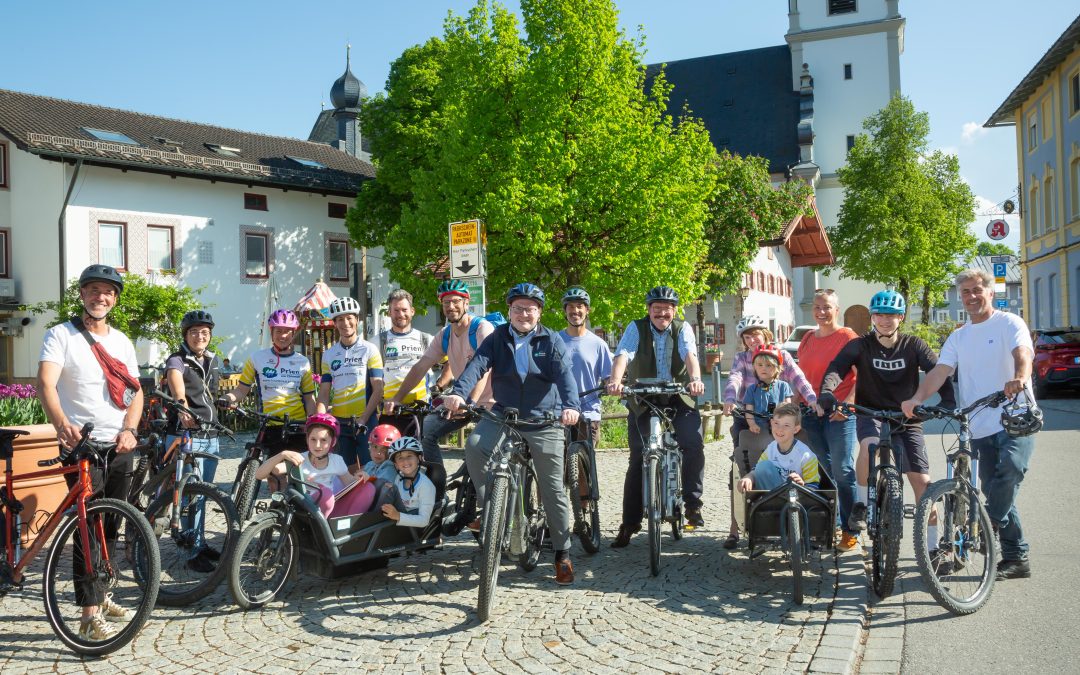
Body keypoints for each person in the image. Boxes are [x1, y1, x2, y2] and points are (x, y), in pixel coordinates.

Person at [902, 268, 1039, 581]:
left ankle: (989, 522)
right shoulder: (959, 336)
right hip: (977, 423)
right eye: (965, 292)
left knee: (1012, 469)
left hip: (1016, 416)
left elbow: (1023, 354)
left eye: (977, 290)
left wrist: (1020, 377)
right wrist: (917, 398)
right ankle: (1017, 557)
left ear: (990, 291)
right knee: (994, 489)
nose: (972, 297)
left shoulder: (1009, 322)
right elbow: (940, 372)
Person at [444, 283, 580, 585]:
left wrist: (571, 406)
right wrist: (458, 394)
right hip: (504, 413)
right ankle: (492, 505)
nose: (523, 314)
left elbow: (565, 376)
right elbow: (476, 366)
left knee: (552, 488)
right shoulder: (498, 338)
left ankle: (562, 553)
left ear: (539, 312)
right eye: (518, 308)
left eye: (530, 309)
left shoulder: (551, 340)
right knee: (476, 445)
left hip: (543, 420)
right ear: (509, 311)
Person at [37, 264, 143, 641]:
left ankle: (102, 593)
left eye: (108, 292)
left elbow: (136, 391)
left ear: (115, 299)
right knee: (87, 527)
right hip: (79, 445)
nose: (101, 297)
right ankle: (87, 612)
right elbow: (46, 383)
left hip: (119, 445)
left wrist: (130, 429)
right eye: (94, 290)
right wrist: (60, 423)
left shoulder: (123, 341)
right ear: (82, 295)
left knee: (110, 525)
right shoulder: (60, 335)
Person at [818, 290, 955, 554]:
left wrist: (947, 401)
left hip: (908, 419)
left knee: (923, 483)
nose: (884, 320)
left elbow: (936, 371)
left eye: (891, 315)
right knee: (871, 446)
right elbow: (837, 367)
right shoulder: (860, 345)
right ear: (872, 317)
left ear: (900, 317)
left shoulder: (914, 345)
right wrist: (827, 392)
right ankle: (860, 503)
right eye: (879, 314)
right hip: (870, 412)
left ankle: (933, 548)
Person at [606, 285, 706, 546]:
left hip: (678, 395)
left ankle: (693, 505)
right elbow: (623, 355)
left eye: (668, 309)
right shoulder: (635, 328)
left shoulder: (682, 328)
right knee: (638, 455)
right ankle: (630, 523)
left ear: (674, 310)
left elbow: (689, 354)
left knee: (691, 442)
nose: (663, 313)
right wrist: (616, 381)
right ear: (649, 310)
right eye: (657, 308)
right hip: (644, 397)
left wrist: (695, 380)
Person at [721, 315, 817, 548]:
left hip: (781, 419)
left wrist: (812, 398)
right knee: (740, 466)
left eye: (756, 334)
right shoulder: (743, 358)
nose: (752, 339)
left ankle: (806, 511)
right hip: (750, 419)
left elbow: (798, 377)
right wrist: (730, 399)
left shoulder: (780, 355)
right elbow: (734, 378)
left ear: (766, 335)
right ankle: (735, 527)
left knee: (801, 451)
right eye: (747, 336)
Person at [384, 279, 494, 465]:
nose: (451, 306)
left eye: (456, 301)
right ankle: (438, 485)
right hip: (459, 402)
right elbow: (420, 367)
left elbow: (485, 368)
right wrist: (397, 397)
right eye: (446, 303)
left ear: (466, 303)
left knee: (479, 448)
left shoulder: (481, 329)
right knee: (426, 432)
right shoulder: (445, 335)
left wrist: (470, 402)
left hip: (491, 404)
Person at [796, 290, 860, 552]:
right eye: (817, 307)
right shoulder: (808, 338)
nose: (821, 312)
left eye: (827, 307)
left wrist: (850, 404)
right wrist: (794, 404)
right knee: (823, 469)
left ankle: (850, 528)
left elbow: (861, 375)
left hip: (840, 413)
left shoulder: (847, 337)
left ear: (837, 309)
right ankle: (829, 523)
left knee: (843, 470)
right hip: (811, 413)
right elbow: (800, 376)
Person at [163, 309, 224, 573]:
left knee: (204, 493)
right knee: (190, 494)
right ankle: (189, 551)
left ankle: (198, 541)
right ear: (186, 335)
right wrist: (182, 405)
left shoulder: (214, 360)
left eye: (205, 332)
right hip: (187, 435)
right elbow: (177, 385)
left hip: (211, 435)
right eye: (195, 332)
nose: (200, 336)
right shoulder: (177, 360)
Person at [221, 309, 316, 453]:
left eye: (287, 331)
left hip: (297, 424)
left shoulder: (303, 362)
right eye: (278, 331)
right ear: (271, 332)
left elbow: (309, 398)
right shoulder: (257, 358)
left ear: (293, 333)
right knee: (273, 472)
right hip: (269, 423)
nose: (282, 336)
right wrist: (227, 398)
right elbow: (241, 390)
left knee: (297, 471)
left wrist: (313, 421)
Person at [254, 413, 372, 517]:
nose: (317, 445)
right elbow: (259, 475)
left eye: (324, 440)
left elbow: (350, 484)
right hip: (304, 512)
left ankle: (346, 532)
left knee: (369, 488)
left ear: (333, 442)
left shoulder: (337, 461)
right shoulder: (299, 459)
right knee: (325, 494)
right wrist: (282, 454)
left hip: (329, 510)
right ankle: (316, 536)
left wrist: (361, 478)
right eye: (313, 439)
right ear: (307, 439)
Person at [317, 297, 384, 467]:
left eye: (349, 318)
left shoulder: (369, 349)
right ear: (335, 323)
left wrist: (363, 418)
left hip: (366, 421)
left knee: (371, 469)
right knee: (346, 472)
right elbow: (324, 392)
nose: (345, 323)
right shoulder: (329, 354)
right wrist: (320, 420)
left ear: (357, 320)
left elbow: (378, 389)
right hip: (340, 422)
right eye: (340, 319)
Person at [557, 286, 612, 455]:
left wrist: (613, 385)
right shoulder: (554, 340)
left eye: (580, 306)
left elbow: (609, 377)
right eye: (571, 307)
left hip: (588, 413)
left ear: (587, 310)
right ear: (565, 311)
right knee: (558, 467)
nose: (575, 311)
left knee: (584, 469)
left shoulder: (598, 344)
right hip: (559, 412)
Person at [378, 289, 434, 436]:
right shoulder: (378, 341)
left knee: (418, 457)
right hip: (390, 412)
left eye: (404, 310)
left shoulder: (426, 339)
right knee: (389, 457)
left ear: (413, 311)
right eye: (396, 310)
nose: (400, 314)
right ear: (389, 312)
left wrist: (439, 387)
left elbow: (448, 362)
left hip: (420, 411)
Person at [737, 403, 819, 493]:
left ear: (795, 429)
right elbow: (757, 469)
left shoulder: (806, 456)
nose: (780, 429)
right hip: (772, 499)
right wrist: (749, 477)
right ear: (771, 423)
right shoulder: (771, 448)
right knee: (763, 466)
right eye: (776, 423)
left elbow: (813, 488)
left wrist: (801, 486)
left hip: (796, 500)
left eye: (786, 425)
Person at [372, 436, 437, 528]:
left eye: (409, 456)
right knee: (383, 486)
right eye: (400, 458)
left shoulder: (426, 486)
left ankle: (369, 523)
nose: (405, 461)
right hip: (393, 520)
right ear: (396, 465)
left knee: (389, 489)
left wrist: (397, 516)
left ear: (419, 458)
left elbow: (424, 520)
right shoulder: (399, 478)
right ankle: (367, 520)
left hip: (410, 529)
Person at [743, 344, 794, 435]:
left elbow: (788, 409)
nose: (763, 368)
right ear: (754, 367)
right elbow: (749, 411)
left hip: (779, 427)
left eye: (768, 365)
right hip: (759, 429)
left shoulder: (783, 386)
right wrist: (752, 424)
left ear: (777, 368)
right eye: (760, 365)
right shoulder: (751, 389)